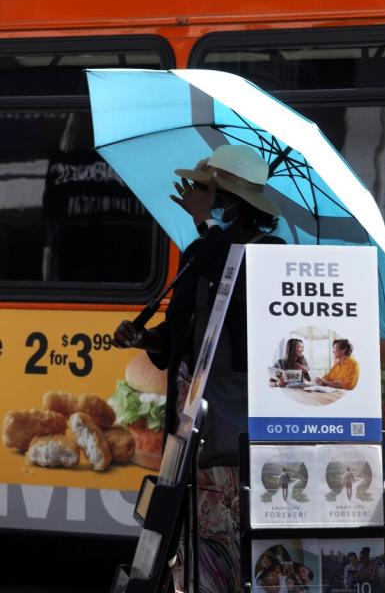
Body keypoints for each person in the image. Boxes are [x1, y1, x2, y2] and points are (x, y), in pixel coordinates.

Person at [113, 144, 284, 593]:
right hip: (187, 426)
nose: (194, 198)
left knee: (228, 530)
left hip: (233, 424)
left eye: (207, 193)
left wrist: (207, 224)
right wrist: (145, 338)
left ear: (230, 201)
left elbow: (238, 284)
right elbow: (176, 339)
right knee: (186, 533)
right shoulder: (196, 252)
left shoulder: (270, 252)